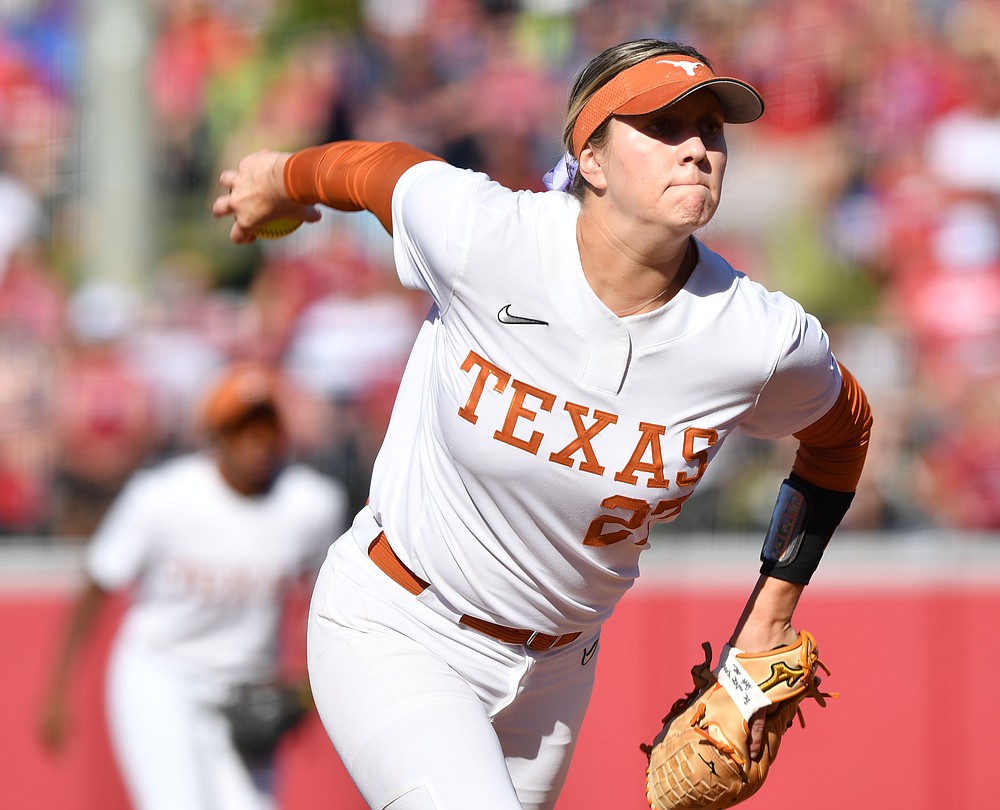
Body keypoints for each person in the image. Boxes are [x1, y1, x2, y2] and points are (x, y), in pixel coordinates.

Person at [212, 39, 872, 810]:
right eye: (663, 126)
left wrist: (768, 619)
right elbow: (374, 170)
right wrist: (276, 179)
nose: (697, 148)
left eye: (711, 129)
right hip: (399, 625)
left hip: (554, 683)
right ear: (589, 158)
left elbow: (842, 434)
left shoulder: (753, 336)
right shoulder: (489, 238)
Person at [39, 361, 347, 810]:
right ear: (215, 437)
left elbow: (328, 595)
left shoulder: (311, 504)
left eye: (265, 428)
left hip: (246, 685)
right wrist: (58, 688)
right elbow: (97, 582)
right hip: (162, 674)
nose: (255, 442)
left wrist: (308, 681)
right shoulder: (162, 498)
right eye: (241, 429)